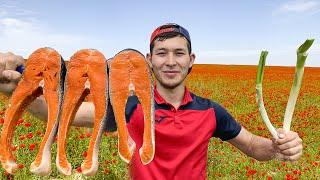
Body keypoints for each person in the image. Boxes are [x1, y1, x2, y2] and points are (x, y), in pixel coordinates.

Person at [0, 23, 303, 179]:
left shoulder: (210, 111)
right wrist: (17, 91)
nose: (170, 61)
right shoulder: (129, 106)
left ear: (190, 60)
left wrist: (277, 147)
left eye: (179, 53)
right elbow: (71, 114)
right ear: (149, 61)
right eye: (162, 53)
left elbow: (253, 147)